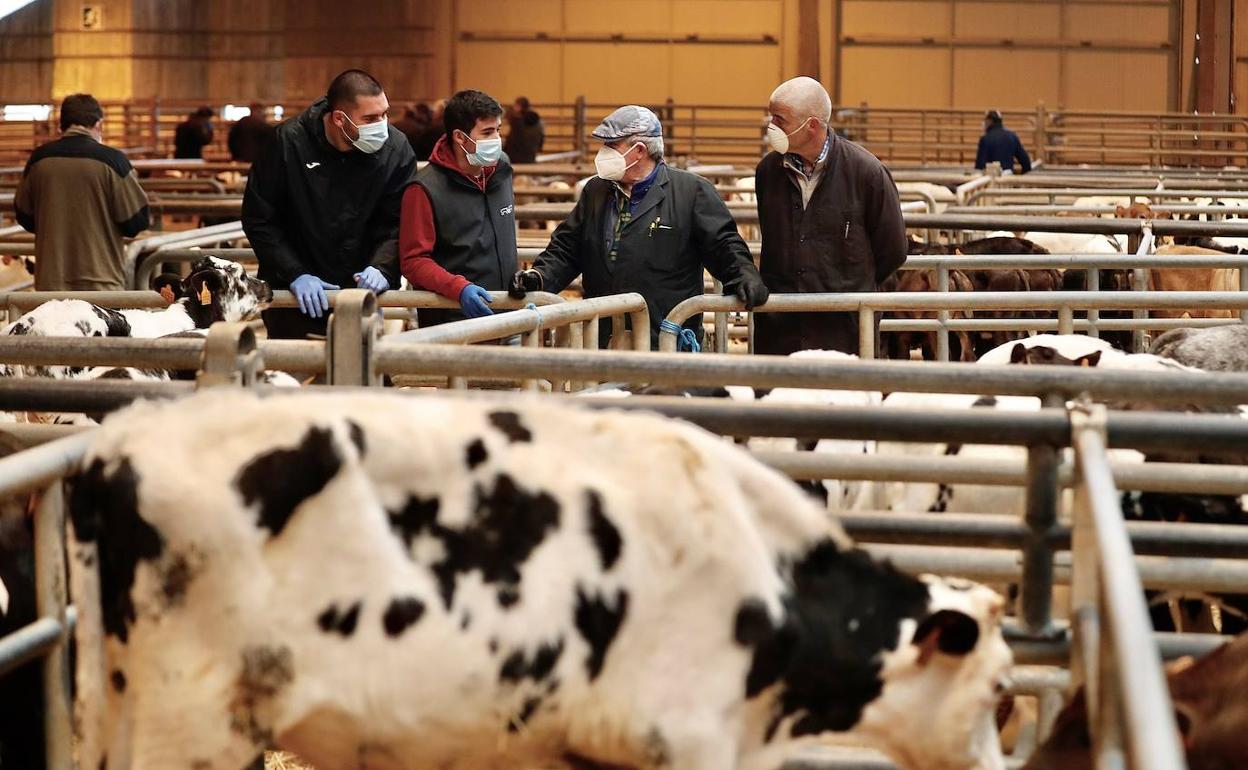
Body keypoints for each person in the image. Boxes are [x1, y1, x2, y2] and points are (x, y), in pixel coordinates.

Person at [509, 105, 768, 350]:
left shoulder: (692, 193)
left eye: (612, 146)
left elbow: (723, 245)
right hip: (602, 336)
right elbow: (567, 248)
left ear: (640, 150)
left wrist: (744, 275)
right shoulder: (596, 192)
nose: (603, 153)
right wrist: (539, 277)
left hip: (665, 337)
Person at [242, 69, 417, 340]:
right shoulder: (288, 143)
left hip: (361, 294)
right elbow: (260, 217)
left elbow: (399, 219)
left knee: (365, 374)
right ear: (339, 119)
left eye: (384, 114)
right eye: (370, 118)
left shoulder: (396, 149)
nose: (381, 124)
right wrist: (294, 272)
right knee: (293, 376)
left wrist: (383, 266)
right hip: (297, 297)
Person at [753, 76, 906, 356]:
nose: (771, 126)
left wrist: (847, 284)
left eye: (780, 119)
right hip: (780, 327)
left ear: (811, 125)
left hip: (842, 329)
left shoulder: (866, 173)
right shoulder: (768, 172)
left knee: (841, 398)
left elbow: (892, 251)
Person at [399, 89, 515, 327]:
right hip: (455, 322)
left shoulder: (501, 172)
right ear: (460, 137)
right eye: (487, 132)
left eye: (498, 130)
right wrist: (458, 289)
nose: (496, 139)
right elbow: (414, 260)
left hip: (510, 315)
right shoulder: (424, 189)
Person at [14, 93, 150, 291]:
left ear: (62, 125)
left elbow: (24, 215)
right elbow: (136, 221)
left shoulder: (39, 160)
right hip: (101, 282)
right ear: (99, 124)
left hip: (51, 284)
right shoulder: (114, 161)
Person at [975, 109, 1031, 174]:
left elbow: (980, 166)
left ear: (989, 121)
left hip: (991, 178)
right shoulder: (1012, 136)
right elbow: (1025, 162)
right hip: (1008, 178)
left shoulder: (985, 139)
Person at [503, 96, 544, 164]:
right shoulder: (538, 121)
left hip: (516, 159)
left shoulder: (517, 121)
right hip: (531, 157)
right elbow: (541, 141)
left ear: (518, 107)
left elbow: (514, 143)